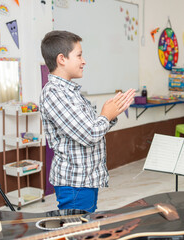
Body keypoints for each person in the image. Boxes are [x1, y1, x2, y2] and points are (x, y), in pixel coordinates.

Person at [40, 30, 135, 213]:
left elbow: (92, 127)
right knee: (78, 231)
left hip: (85, 180)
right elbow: (90, 135)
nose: (84, 61)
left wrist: (112, 113)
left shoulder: (70, 92)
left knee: (86, 227)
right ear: (62, 59)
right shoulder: (54, 93)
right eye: (79, 55)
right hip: (75, 183)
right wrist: (106, 115)